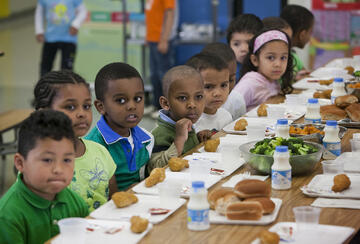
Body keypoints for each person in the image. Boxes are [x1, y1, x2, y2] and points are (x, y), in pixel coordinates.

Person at [0, 110, 89, 244]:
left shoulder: (76, 204)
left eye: (67, 160)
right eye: (47, 160)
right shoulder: (7, 216)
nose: (58, 169)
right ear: (20, 163)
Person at [33, 70, 117, 212]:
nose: (82, 114)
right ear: (43, 113)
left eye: (86, 106)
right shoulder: (36, 163)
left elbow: (115, 201)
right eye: (70, 107)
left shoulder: (100, 152)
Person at [85, 62, 154, 191]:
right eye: (121, 100)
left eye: (138, 98)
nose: (132, 106)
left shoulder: (147, 138)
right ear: (101, 107)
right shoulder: (94, 147)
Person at [148, 65, 205, 172]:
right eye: (182, 98)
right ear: (165, 103)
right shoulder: (160, 134)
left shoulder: (186, 122)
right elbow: (156, 169)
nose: (192, 105)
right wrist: (179, 139)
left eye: (199, 97)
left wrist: (198, 138)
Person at [232, 28, 293, 111]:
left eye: (283, 58)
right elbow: (229, 109)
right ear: (255, 60)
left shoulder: (273, 81)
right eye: (270, 57)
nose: (278, 64)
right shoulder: (249, 84)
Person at [186, 52, 232, 140]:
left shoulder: (226, 116)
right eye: (208, 87)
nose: (218, 93)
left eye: (223, 85)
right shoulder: (189, 122)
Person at [35, 0, 87, 77]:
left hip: (69, 39)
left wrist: (76, 24)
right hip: (50, 38)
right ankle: (44, 87)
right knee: (45, 67)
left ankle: (66, 87)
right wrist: (39, 30)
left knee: (67, 70)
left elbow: (83, 11)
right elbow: (39, 13)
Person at [145, 0, 178, 118]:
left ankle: (165, 108)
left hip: (162, 40)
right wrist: (148, 37)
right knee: (154, 75)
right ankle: (155, 105)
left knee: (164, 76)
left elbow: (170, 14)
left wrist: (164, 39)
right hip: (153, 39)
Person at [281, 5, 314, 81]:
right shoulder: (282, 59)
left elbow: (306, 74)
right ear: (302, 34)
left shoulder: (293, 56)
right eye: (310, 32)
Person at [226, 14, 263, 81]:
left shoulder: (266, 69)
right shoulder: (226, 73)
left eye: (249, 43)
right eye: (236, 44)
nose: (243, 49)